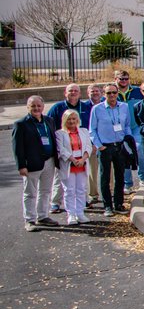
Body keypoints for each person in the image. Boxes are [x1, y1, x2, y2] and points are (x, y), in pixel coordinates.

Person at [14, 96, 58, 230]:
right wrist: (21, 165)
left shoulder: (49, 121)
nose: (36, 108)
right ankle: (30, 220)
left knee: (45, 191)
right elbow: (17, 147)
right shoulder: (21, 124)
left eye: (39, 106)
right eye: (33, 106)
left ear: (43, 107)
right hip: (32, 164)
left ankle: (43, 216)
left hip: (49, 161)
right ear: (28, 107)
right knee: (30, 193)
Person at [89, 84, 133, 217]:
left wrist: (127, 140)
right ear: (104, 94)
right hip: (105, 147)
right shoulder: (97, 109)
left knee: (120, 176)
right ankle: (107, 205)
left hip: (119, 146)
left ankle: (119, 203)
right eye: (109, 93)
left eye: (114, 93)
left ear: (117, 93)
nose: (112, 95)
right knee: (105, 177)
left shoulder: (124, 107)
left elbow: (126, 125)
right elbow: (92, 130)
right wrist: (99, 145)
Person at [47, 83, 90, 214]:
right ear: (65, 93)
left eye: (76, 91)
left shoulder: (86, 107)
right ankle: (55, 202)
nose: (73, 93)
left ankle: (82, 205)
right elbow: (49, 124)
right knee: (62, 180)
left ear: (80, 93)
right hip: (64, 149)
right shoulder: (57, 107)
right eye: (70, 91)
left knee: (81, 184)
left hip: (81, 149)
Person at [54, 109, 93, 225]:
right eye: (69, 119)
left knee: (81, 189)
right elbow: (61, 149)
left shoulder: (84, 131)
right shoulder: (60, 133)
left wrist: (83, 159)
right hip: (69, 165)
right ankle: (71, 214)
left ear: (78, 120)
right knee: (69, 190)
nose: (71, 121)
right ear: (65, 120)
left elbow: (88, 146)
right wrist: (73, 159)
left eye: (74, 119)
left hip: (82, 163)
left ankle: (80, 213)